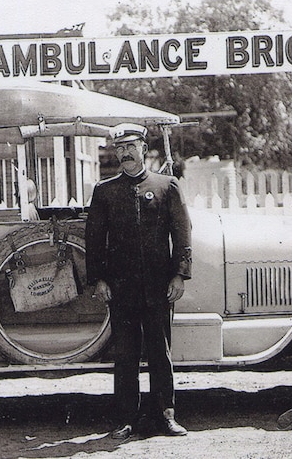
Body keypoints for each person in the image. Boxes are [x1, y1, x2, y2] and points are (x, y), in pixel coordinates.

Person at [85, 123, 192, 439]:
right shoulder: (104, 191)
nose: (125, 153)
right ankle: (125, 419)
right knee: (126, 355)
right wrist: (99, 280)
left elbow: (182, 233)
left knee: (161, 353)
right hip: (121, 288)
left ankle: (166, 416)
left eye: (131, 146)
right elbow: (94, 240)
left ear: (144, 149)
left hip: (159, 287)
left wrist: (180, 274)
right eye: (119, 148)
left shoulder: (167, 186)